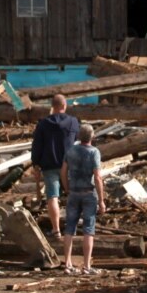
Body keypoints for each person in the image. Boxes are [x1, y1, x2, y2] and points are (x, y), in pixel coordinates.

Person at [30, 94, 79, 239]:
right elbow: (76, 138)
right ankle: (72, 228)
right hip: (68, 165)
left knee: (52, 197)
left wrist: (35, 164)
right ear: (64, 106)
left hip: (49, 165)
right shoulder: (73, 122)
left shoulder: (43, 124)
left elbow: (37, 146)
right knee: (72, 196)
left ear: (52, 107)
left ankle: (56, 230)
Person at [61, 123, 105, 274]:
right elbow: (98, 178)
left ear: (79, 136)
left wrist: (67, 188)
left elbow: (63, 172)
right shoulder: (94, 152)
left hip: (73, 192)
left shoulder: (70, 151)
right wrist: (101, 200)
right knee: (88, 230)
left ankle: (67, 263)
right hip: (88, 194)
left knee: (69, 229)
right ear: (92, 136)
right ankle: (86, 266)